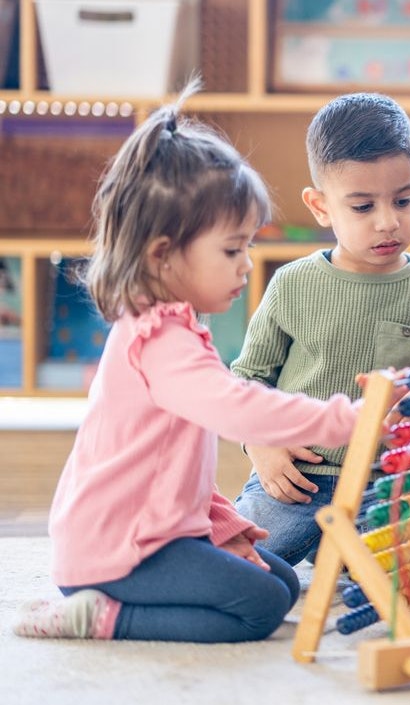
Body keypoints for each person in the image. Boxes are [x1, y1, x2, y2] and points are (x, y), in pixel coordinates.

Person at [12, 84, 369, 643]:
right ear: (162, 254)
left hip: (150, 531)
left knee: (275, 578)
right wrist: (349, 418)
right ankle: (102, 616)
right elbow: (240, 411)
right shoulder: (160, 341)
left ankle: (122, 597)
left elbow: (176, 471)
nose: (247, 266)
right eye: (232, 250)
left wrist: (222, 529)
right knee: (260, 608)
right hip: (117, 551)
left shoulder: (173, 326)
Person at [231, 92, 410, 601]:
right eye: (363, 206)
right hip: (297, 479)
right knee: (233, 565)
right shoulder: (292, 284)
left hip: (388, 489)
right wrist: (261, 445)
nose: (387, 221)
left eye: (403, 200)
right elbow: (244, 381)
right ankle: (326, 543)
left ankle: (340, 549)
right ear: (320, 206)